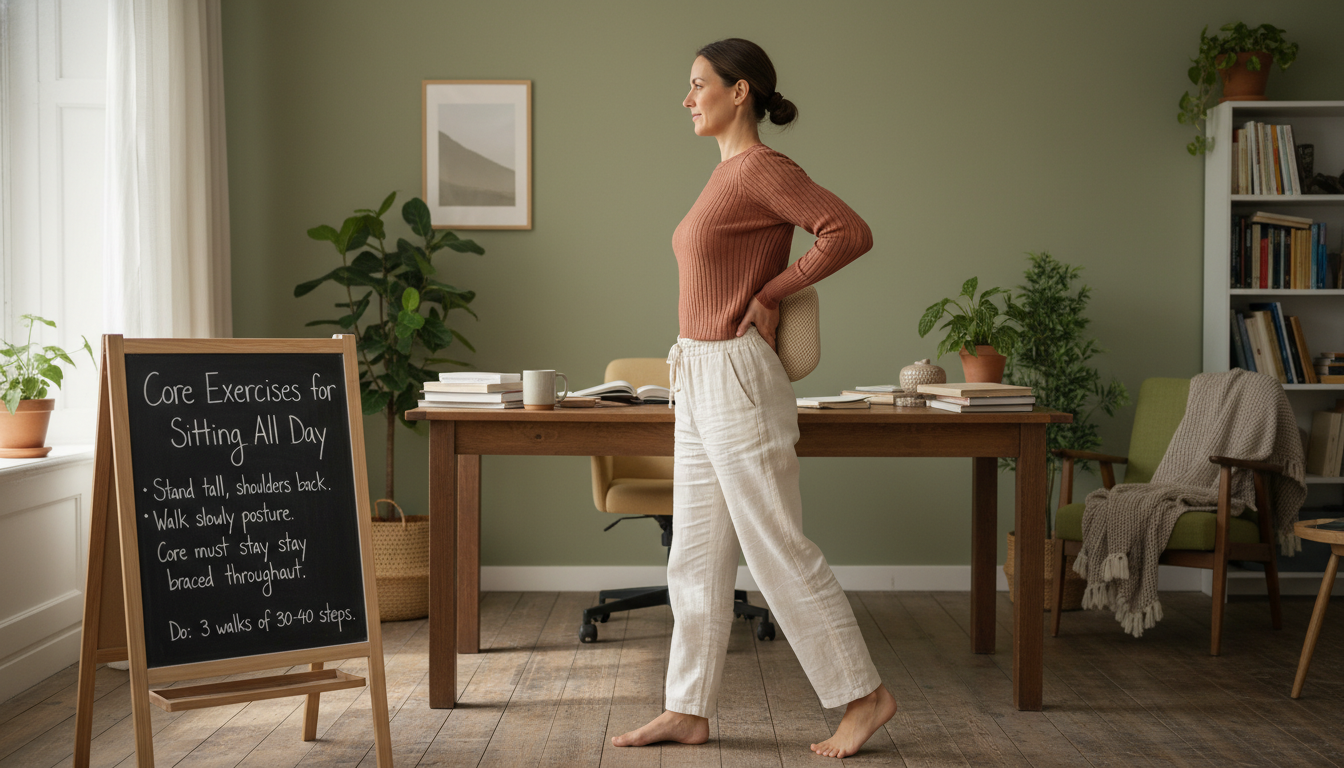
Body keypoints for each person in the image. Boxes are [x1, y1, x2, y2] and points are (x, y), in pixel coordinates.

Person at [611, 38, 897, 759]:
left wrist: (772, 291)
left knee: (774, 547)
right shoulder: (724, 177)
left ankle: (864, 697)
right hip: (697, 374)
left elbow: (848, 231)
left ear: (740, 92)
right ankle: (688, 708)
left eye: (698, 83)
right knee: (697, 556)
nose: (688, 97)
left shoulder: (764, 167)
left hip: (738, 376)